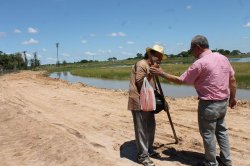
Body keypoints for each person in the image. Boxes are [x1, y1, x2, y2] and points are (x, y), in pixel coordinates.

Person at [149, 35, 237, 166]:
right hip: (223, 102)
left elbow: (181, 80)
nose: (192, 53)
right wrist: (233, 98)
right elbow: (233, 80)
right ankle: (226, 160)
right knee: (222, 131)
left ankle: (211, 163)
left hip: (208, 104)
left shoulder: (200, 63)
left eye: (192, 50)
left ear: (198, 47)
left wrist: (162, 73)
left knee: (208, 135)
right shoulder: (222, 58)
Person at [127, 44, 165, 166]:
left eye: (161, 57)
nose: (160, 59)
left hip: (148, 100)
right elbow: (140, 83)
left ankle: (148, 150)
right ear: (152, 54)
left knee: (151, 126)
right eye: (158, 56)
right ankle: (142, 156)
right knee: (142, 129)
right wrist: (151, 74)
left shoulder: (150, 65)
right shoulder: (142, 64)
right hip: (139, 101)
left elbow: (152, 86)